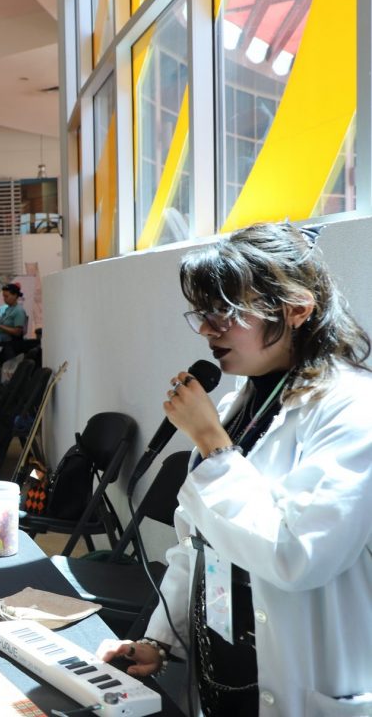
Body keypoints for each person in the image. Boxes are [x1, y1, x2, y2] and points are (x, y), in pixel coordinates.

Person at [98, 223, 372, 717]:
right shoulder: (241, 403)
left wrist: (212, 445)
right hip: (223, 674)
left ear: (296, 309)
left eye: (225, 311)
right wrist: (162, 641)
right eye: (202, 313)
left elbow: (297, 556)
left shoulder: (352, 408)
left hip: (303, 683)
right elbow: (200, 546)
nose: (208, 329)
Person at [0, 282, 27, 350]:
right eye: (3, 296)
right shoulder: (7, 309)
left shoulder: (19, 311)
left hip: (12, 347)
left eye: (6, 296)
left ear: (15, 296)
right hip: (3, 344)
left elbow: (17, 332)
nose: (4, 299)